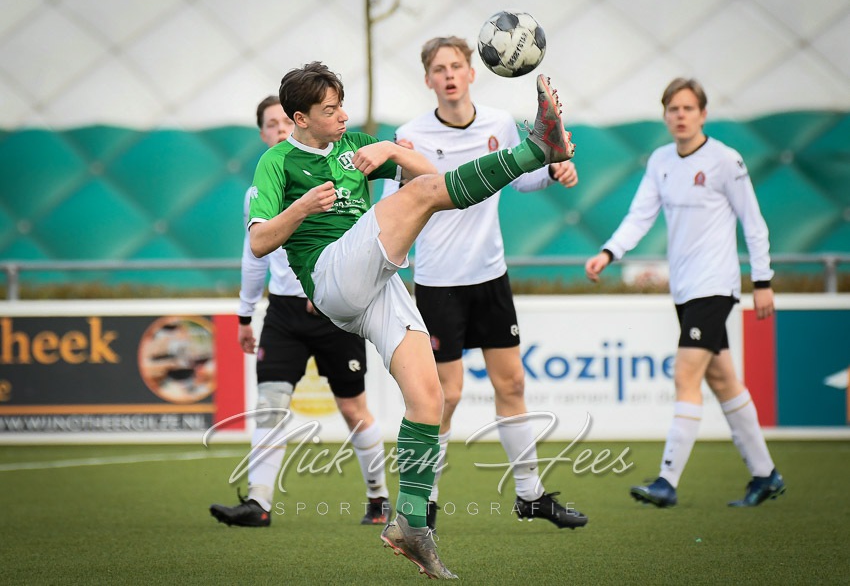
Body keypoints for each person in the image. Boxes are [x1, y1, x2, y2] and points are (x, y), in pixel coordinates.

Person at [248, 61, 574, 579]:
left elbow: (432, 180)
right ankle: (537, 149)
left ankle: (411, 524)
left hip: (375, 281)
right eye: (330, 110)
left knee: (429, 400)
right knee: (419, 200)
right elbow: (259, 241)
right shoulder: (277, 161)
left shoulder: (354, 144)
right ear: (299, 119)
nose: (343, 116)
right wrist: (301, 208)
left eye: (341, 105)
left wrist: (393, 151)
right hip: (331, 275)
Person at [381, 36, 588, 532]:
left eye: (456, 66)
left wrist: (554, 167)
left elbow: (521, 177)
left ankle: (530, 496)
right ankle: (424, 504)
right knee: (446, 395)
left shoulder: (499, 123)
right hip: (438, 284)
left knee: (512, 384)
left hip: (490, 277)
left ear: (472, 72)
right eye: (439, 69)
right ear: (428, 79)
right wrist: (404, 175)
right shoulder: (409, 135)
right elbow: (390, 204)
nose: (449, 75)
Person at [584, 77, 785, 509]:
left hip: (716, 285)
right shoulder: (660, 160)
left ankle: (667, 480)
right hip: (685, 288)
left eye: (688, 108)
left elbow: (754, 223)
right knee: (722, 379)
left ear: (703, 114)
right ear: (665, 115)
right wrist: (609, 252)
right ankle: (765, 474)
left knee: (685, 376)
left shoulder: (725, 160)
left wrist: (762, 281)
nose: (680, 116)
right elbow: (640, 216)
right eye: (673, 109)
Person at [209, 96, 392, 528]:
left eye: (284, 122)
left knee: (353, 408)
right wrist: (244, 314)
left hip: (335, 308)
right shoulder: (263, 186)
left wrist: (331, 288)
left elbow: (360, 227)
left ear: (301, 123)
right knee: (270, 405)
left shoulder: (336, 168)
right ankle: (258, 503)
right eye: (271, 125)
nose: (279, 130)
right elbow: (254, 253)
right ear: (263, 134)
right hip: (284, 313)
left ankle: (379, 498)